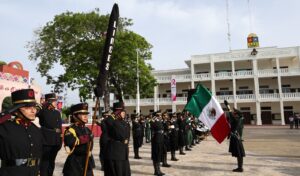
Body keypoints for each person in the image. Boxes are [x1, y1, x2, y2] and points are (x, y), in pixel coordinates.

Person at [0, 89, 43, 176]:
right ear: (16, 110)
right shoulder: (4, 128)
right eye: (27, 107)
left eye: (34, 107)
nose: (33, 111)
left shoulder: (36, 130)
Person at [62, 103, 95, 176]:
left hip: (87, 162)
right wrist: (86, 138)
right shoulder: (70, 130)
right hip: (75, 165)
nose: (86, 116)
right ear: (75, 116)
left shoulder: (87, 129)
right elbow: (70, 142)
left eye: (86, 114)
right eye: (83, 114)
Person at [37, 93, 62, 176]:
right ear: (49, 102)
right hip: (45, 140)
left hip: (55, 140)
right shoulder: (43, 111)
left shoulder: (57, 113)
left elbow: (60, 128)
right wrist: (42, 105)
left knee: (52, 161)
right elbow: (34, 114)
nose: (56, 103)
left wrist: (60, 141)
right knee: (44, 162)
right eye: (54, 101)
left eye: (56, 101)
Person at [103, 102, 131, 176]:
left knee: (125, 172)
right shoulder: (111, 121)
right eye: (122, 111)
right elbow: (108, 121)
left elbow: (127, 135)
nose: (124, 113)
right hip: (115, 153)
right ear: (117, 112)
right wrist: (113, 115)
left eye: (124, 111)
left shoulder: (124, 122)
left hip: (123, 152)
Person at [228, 108, 246, 172]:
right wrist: (228, 107)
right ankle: (240, 167)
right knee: (240, 154)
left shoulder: (237, 120)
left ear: (237, 115)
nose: (233, 114)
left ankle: (240, 168)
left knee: (239, 154)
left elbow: (231, 116)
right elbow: (231, 117)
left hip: (236, 139)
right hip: (238, 138)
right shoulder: (241, 119)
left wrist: (228, 108)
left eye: (234, 113)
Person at [151, 110, 165, 176]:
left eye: (160, 115)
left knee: (159, 154)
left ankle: (158, 170)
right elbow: (152, 128)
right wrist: (153, 119)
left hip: (160, 139)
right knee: (156, 155)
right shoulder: (153, 121)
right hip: (156, 140)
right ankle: (156, 171)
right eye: (158, 115)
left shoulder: (160, 121)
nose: (160, 116)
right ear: (156, 115)